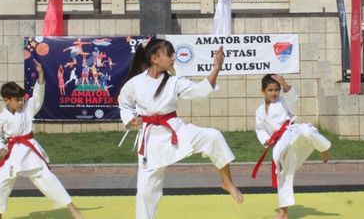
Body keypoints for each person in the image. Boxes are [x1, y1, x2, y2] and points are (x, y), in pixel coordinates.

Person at [118, 38, 243, 219]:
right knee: (146, 192)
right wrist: (131, 119)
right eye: (169, 54)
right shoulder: (135, 83)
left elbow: (200, 91)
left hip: (176, 132)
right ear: (155, 58)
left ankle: (226, 181)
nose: (173, 58)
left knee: (213, 136)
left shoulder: (174, 82)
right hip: (151, 140)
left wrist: (216, 68)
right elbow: (123, 103)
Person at [0, 59, 83, 219]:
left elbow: (37, 97)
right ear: (6, 100)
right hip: (12, 153)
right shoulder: (1, 118)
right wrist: (0, 148)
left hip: (29, 150)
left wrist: (40, 75)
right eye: (17, 100)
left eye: (21, 99)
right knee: (1, 181)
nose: (20, 102)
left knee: (47, 178)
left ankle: (72, 209)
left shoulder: (27, 109)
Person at [252, 74, 330, 219]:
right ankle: (283, 213)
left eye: (277, 90)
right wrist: (267, 140)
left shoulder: (284, 102)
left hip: (292, 133)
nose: (274, 93)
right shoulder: (259, 111)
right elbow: (260, 129)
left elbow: (293, 99)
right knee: (282, 174)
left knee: (307, 130)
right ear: (263, 91)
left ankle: (323, 148)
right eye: (270, 90)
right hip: (279, 143)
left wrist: (285, 84)